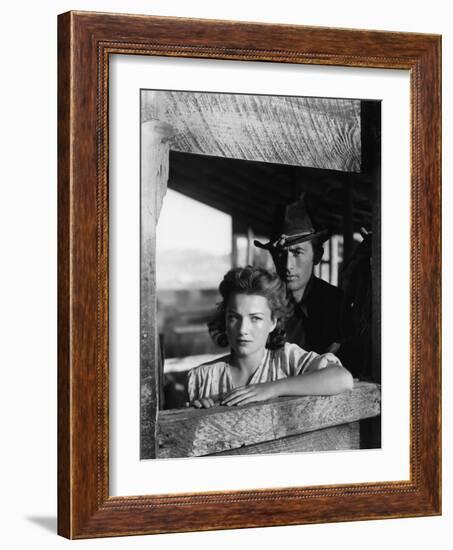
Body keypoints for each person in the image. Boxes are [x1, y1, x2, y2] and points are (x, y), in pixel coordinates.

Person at [187, 266, 353, 408]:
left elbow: (342, 379)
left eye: (255, 318)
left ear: (273, 322)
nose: (243, 329)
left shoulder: (287, 359)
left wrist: (271, 388)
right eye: (234, 317)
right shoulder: (202, 378)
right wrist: (199, 411)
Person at [254, 194, 344, 354]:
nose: (288, 266)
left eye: (297, 252)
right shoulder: (263, 306)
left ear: (317, 255)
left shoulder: (338, 305)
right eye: (281, 254)